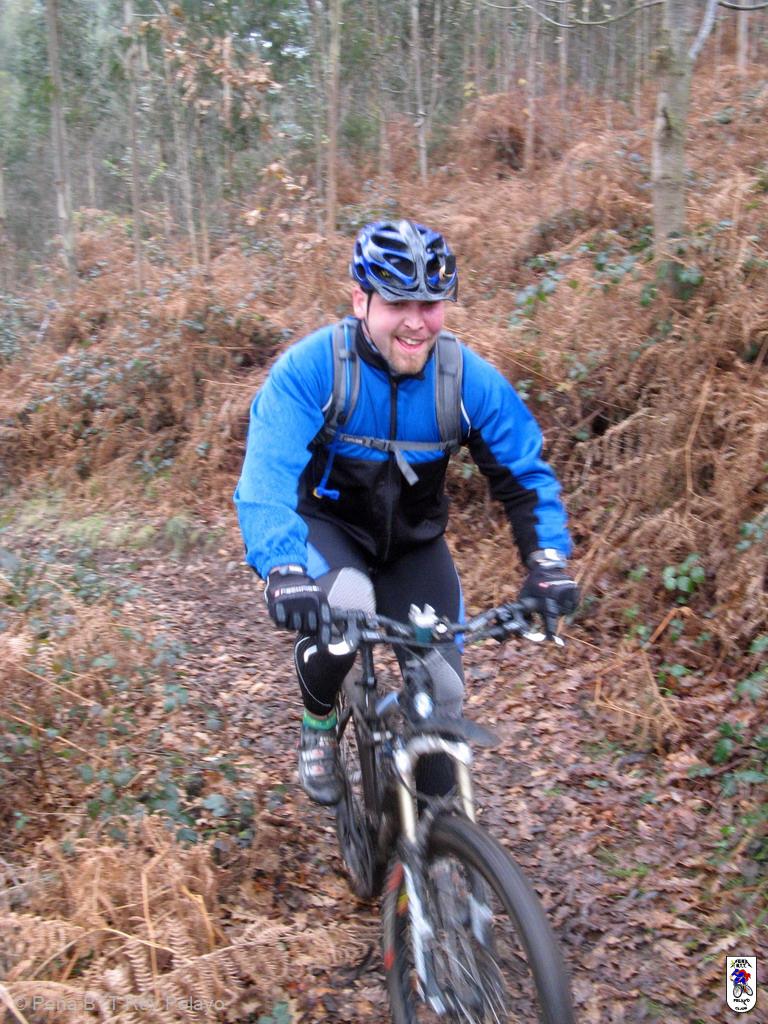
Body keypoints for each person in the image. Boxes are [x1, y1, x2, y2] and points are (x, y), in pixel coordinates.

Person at [234, 219, 578, 806]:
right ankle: (319, 720)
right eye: (398, 302)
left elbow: (524, 476)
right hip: (329, 531)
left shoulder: (464, 380)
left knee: (443, 690)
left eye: (431, 304)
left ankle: (437, 842)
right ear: (360, 301)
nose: (417, 322)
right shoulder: (315, 369)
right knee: (346, 608)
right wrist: (282, 568)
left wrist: (547, 560)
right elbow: (266, 476)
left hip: (414, 546)